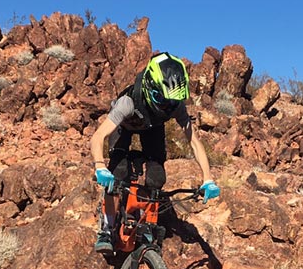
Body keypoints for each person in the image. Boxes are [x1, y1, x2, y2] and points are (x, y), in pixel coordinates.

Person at [90, 52, 220, 253]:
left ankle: (147, 223)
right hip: (124, 126)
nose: (167, 106)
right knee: (118, 173)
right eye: (162, 99)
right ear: (151, 87)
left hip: (152, 127)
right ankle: (107, 228)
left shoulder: (175, 107)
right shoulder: (127, 102)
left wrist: (208, 179)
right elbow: (98, 137)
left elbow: (194, 142)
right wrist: (100, 166)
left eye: (171, 102)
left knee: (156, 178)